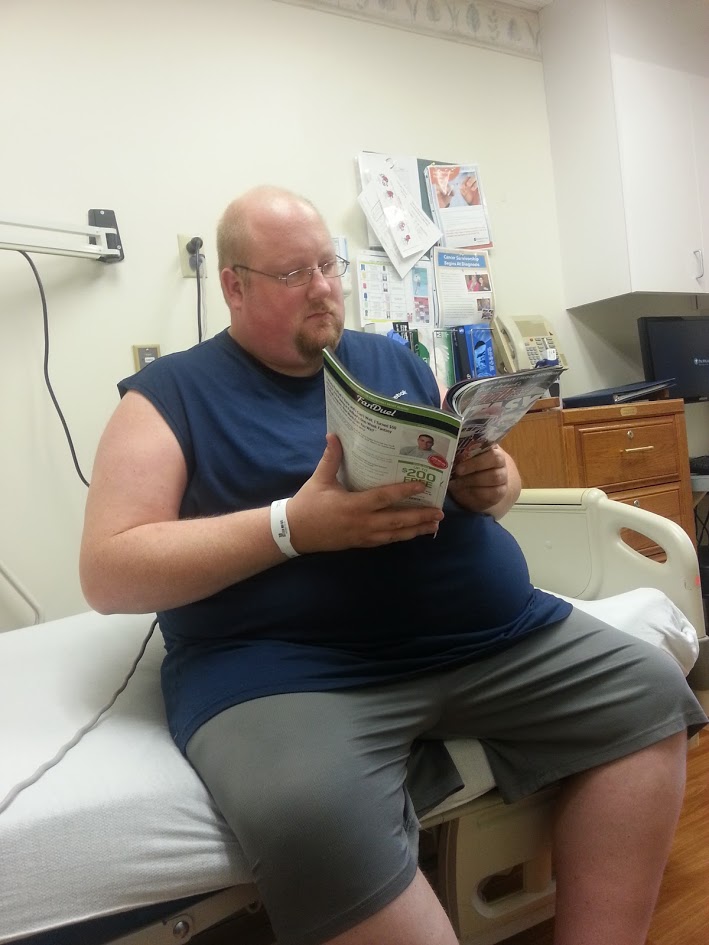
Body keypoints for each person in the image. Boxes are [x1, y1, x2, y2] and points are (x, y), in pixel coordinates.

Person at [80, 185, 707, 945]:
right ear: (234, 287)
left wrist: (493, 483)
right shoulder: (169, 396)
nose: (322, 287)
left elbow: (475, 473)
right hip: (289, 672)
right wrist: (291, 529)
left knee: (648, 690)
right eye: (293, 273)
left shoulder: (390, 359)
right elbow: (110, 571)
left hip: (489, 640)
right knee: (306, 811)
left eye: (328, 265)